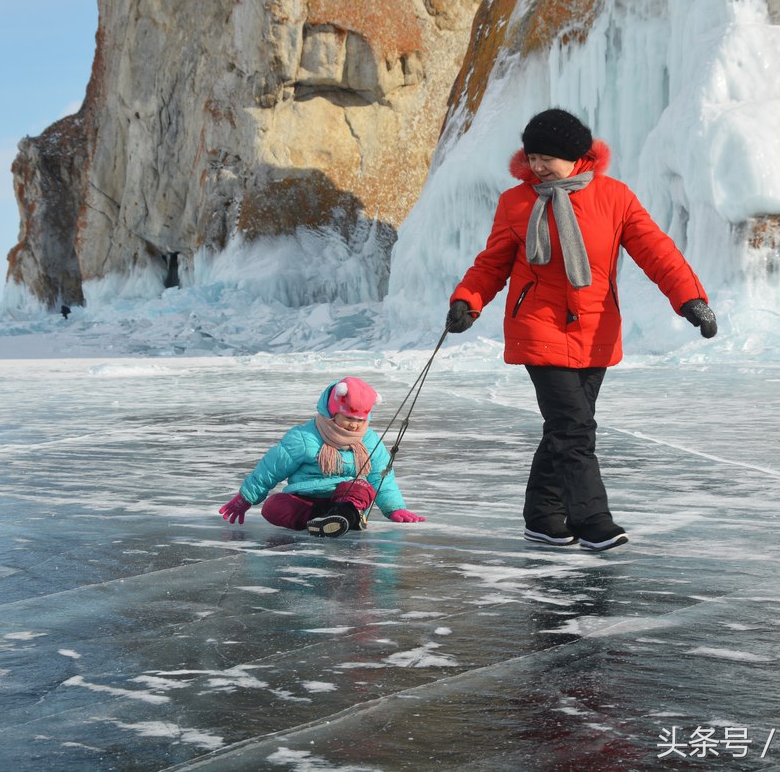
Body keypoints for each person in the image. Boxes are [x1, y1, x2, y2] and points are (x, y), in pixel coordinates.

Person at [445, 108, 717, 552]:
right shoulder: (516, 202)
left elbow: (657, 252)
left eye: (545, 157)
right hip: (537, 327)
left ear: (575, 156)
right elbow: (492, 263)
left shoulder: (615, 198)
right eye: (531, 157)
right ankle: (592, 520)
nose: (536, 167)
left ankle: (543, 517)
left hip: (595, 331)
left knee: (564, 428)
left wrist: (691, 300)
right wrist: (467, 301)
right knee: (574, 428)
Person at [218, 377, 426, 538]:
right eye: (348, 418)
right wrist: (246, 498)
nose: (354, 425)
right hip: (307, 498)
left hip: (346, 497)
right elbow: (271, 469)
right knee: (272, 507)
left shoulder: (369, 441)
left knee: (361, 488)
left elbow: (381, 477)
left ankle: (343, 517)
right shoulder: (305, 437)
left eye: (360, 421)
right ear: (332, 412)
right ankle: (322, 521)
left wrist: (394, 509)